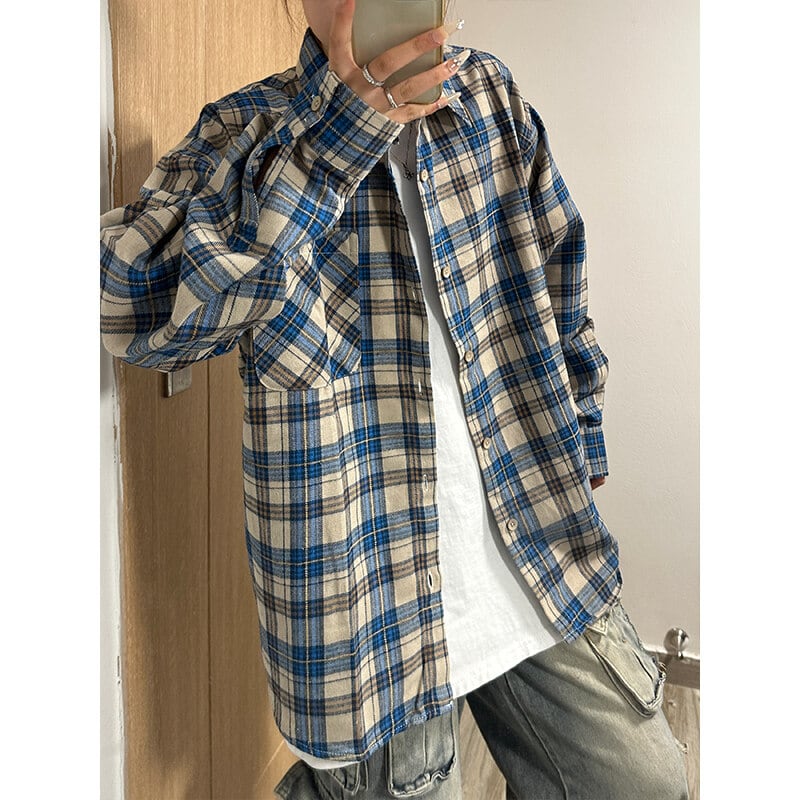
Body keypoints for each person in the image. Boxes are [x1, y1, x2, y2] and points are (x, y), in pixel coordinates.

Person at [100, 0, 691, 797]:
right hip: (365, 609)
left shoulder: (492, 98)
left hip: (536, 545)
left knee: (645, 781)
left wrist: (582, 428)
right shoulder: (244, 129)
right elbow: (129, 308)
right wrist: (336, 142)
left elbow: (561, 266)